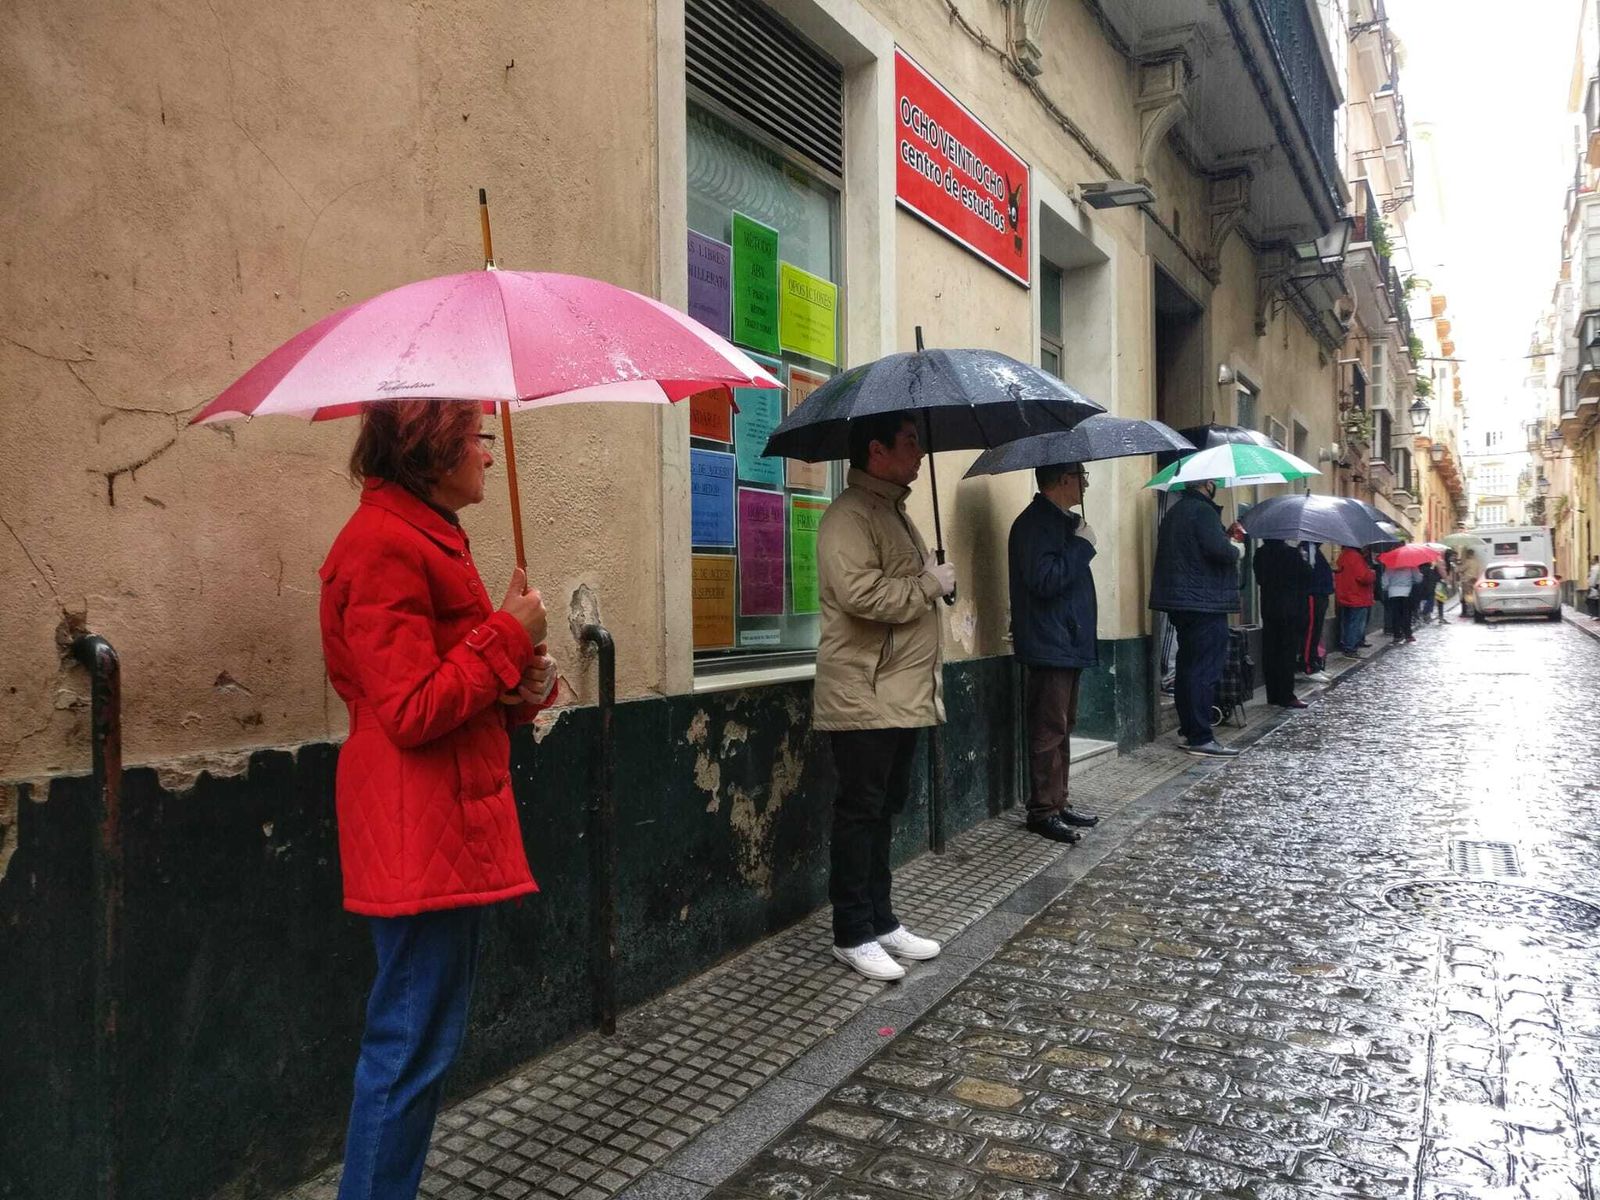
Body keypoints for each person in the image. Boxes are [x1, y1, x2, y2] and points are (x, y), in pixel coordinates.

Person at [319, 399, 558, 1200]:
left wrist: (521, 675)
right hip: (416, 829)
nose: (490, 456)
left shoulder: (425, 536)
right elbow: (412, 707)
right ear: (432, 449)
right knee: (409, 1045)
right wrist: (506, 638)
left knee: (422, 1042)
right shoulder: (384, 546)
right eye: (477, 439)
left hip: (443, 820)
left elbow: (462, 686)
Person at [813, 412, 952, 982]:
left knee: (885, 810)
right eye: (910, 442)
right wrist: (926, 585)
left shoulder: (893, 512)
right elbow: (861, 594)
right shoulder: (848, 516)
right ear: (876, 450)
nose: (919, 453)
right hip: (863, 694)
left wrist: (935, 575)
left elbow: (909, 587)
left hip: (902, 693)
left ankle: (881, 919)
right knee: (860, 812)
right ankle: (851, 931)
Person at [1008, 462, 1101, 845]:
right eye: (1082, 478)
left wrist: (1076, 539)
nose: (1085, 485)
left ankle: (1058, 802)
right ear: (1064, 480)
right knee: (1049, 729)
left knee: (1064, 725)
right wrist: (1082, 546)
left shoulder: (1060, 522)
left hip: (1066, 641)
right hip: (1050, 643)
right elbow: (1045, 581)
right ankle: (1042, 810)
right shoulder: (1034, 524)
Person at [1149, 479, 1245, 758]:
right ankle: (1201, 736)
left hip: (1184, 602)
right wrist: (1235, 545)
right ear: (1206, 483)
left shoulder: (1176, 511)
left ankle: (1191, 731)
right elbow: (1219, 551)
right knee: (1204, 670)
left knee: (1189, 667)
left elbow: (1197, 549)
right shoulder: (1201, 511)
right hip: (1204, 603)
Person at [1254, 539, 1312, 709]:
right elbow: (1308, 575)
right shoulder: (1292, 554)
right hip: (1291, 611)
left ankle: (1272, 695)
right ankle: (1287, 695)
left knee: (1270, 652)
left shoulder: (1260, 554)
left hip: (1269, 609)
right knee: (1287, 654)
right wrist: (1303, 558)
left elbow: (1260, 579)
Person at [1333, 544, 1376, 655]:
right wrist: (1372, 574)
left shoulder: (1343, 555)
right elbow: (1364, 577)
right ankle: (1350, 648)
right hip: (1357, 596)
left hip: (1345, 594)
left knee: (1347, 622)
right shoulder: (1355, 557)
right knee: (1355, 623)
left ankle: (1346, 644)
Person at [1302, 543, 1334, 683]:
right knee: (1311, 631)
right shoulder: (1306, 549)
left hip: (1320, 594)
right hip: (1314, 595)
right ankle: (1309, 667)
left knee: (1316, 631)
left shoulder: (1315, 550)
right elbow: (1309, 573)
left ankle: (1314, 662)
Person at [1384, 560, 1421, 644]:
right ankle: (1408, 635)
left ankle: (1397, 635)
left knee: (1395, 615)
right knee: (1407, 614)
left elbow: (1385, 579)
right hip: (1406, 592)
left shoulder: (1390, 565)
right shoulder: (1412, 564)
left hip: (1393, 592)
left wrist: (1386, 588)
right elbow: (1418, 579)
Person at [1458, 548, 1483, 620]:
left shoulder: (1468, 562)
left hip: (1467, 580)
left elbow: (1460, 569)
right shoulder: (1476, 562)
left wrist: (1459, 566)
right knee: (1474, 596)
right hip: (1475, 580)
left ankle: (1469, 612)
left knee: (1467, 597)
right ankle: (1474, 610)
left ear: (1468, 554)